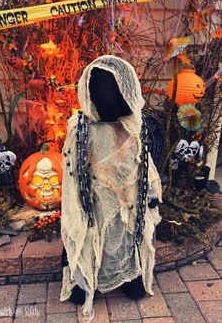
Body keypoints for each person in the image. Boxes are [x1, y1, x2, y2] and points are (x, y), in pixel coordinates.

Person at [60, 55, 162, 322]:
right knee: (92, 239)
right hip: (93, 208)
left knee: (126, 238)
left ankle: (128, 276)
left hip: (126, 209)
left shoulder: (133, 128)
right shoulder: (81, 130)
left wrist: (150, 195)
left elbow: (145, 166)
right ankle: (87, 279)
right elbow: (73, 178)